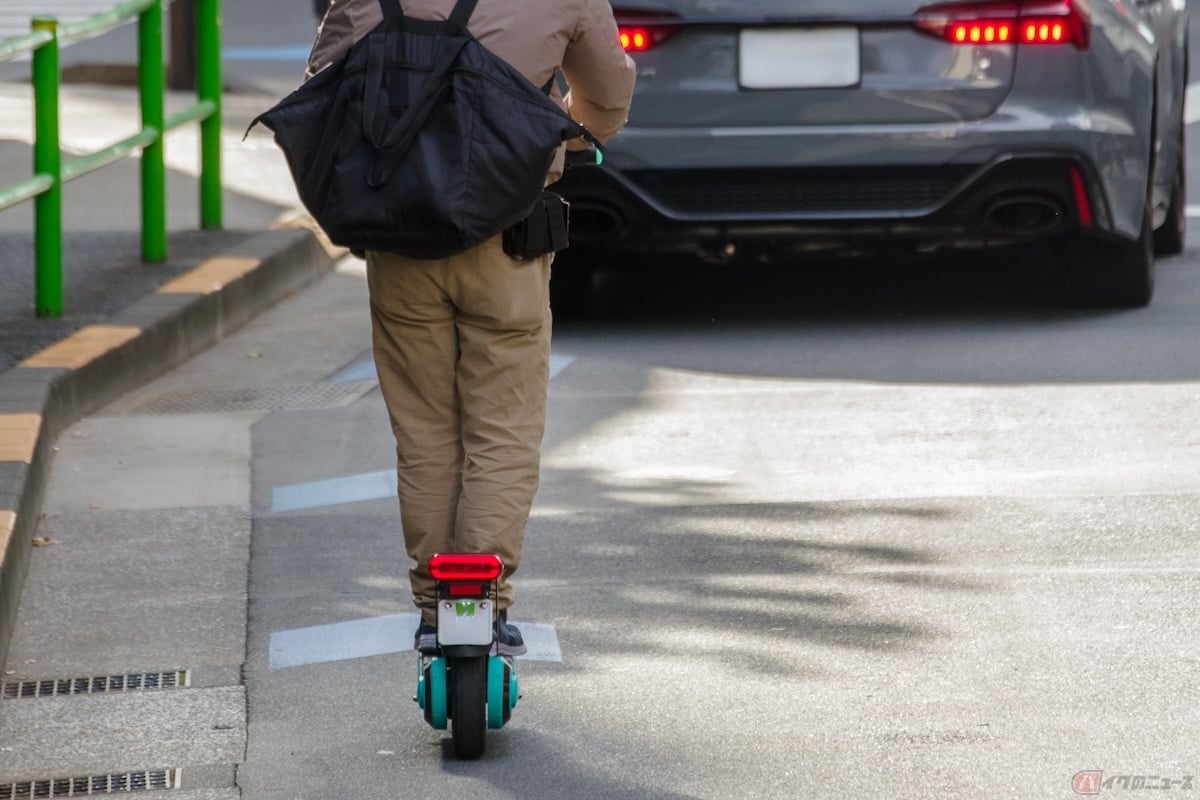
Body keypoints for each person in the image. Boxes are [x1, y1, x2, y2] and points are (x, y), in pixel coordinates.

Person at [306, 0, 636, 655]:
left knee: (426, 431)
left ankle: (435, 609)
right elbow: (609, 94)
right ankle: (480, 598)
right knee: (504, 427)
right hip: (506, 241)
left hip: (400, 239)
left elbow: (324, 87)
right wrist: (555, 131)